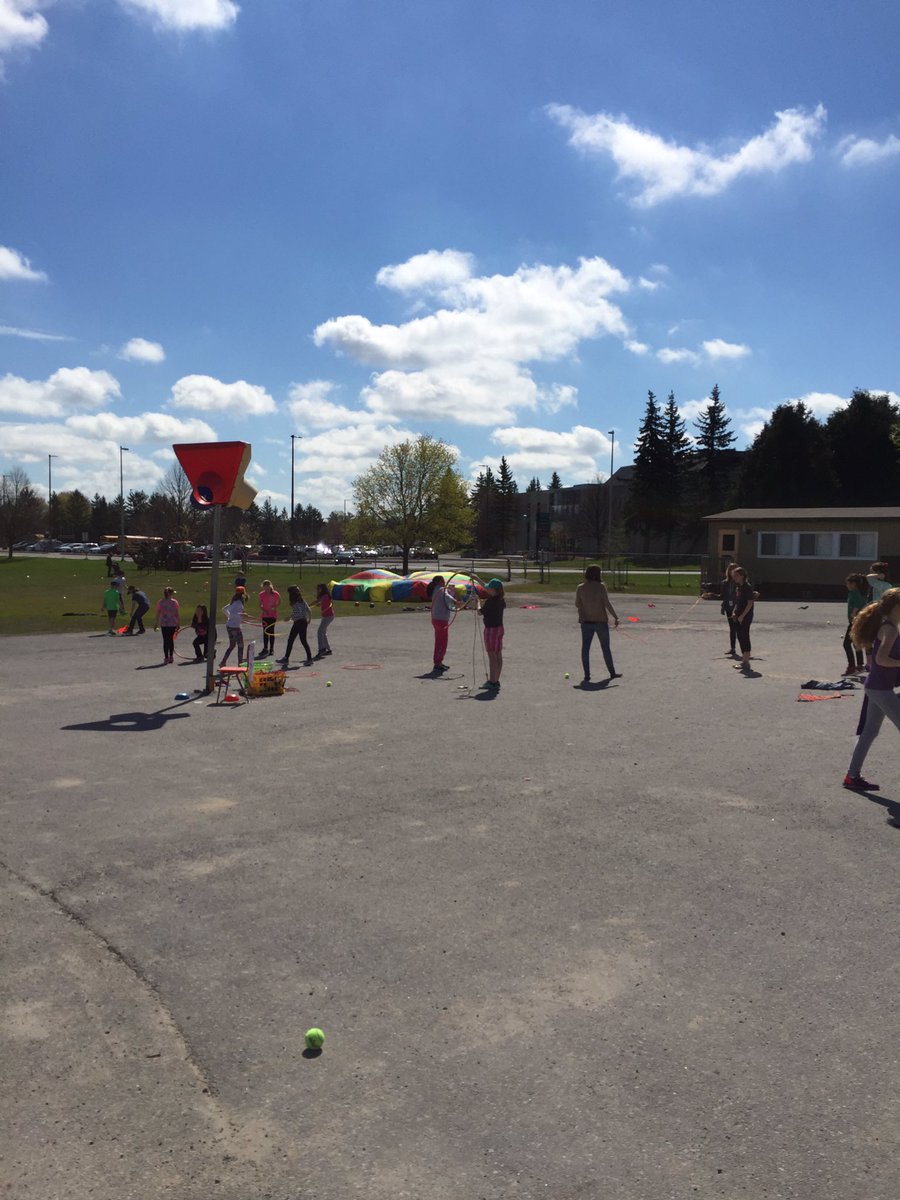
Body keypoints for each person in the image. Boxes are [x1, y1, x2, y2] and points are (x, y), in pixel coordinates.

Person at [843, 586, 900, 791]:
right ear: (896, 607)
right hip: (880, 689)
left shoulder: (888, 626)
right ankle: (851, 776)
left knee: (869, 733)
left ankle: (851, 777)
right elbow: (881, 659)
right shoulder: (891, 629)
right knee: (869, 732)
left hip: (876, 687)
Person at [575, 564, 621, 683]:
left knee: (585, 649)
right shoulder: (601, 587)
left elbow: (577, 604)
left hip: (586, 622)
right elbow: (607, 603)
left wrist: (582, 615)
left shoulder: (580, 587)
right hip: (600, 621)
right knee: (605, 648)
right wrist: (615, 617)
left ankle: (587, 675)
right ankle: (612, 672)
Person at [479, 578, 506, 690]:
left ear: (494, 590)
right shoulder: (501, 599)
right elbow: (485, 586)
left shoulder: (490, 601)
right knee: (498, 654)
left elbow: (480, 612)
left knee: (492, 656)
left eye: (489, 588)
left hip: (491, 630)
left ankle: (492, 681)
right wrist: (476, 578)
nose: (487, 589)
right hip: (499, 628)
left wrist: (477, 603)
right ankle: (496, 680)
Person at [427, 575, 457, 671]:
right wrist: (456, 601)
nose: (445, 582)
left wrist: (451, 591)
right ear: (440, 582)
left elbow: (446, 598)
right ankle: (437, 662)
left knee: (440, 641)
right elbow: (448, 598)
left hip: (436, 618)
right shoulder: (441, 590)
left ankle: (439, 661)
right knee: (442, 642)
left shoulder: (437, 589)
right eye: (443, 581)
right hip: (441, 619)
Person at [842, 573, 868, 675]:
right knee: (856, 643)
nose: (847, 585)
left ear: (853, 584)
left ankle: (852, 666)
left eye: (848, 583)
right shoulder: (856, 592)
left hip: (855, 621)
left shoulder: (854, 593)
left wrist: (853, 615)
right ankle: (859, 666)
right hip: (858, 621)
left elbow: (859, 604)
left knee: (846, 644)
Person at [731, 566, 755, 672]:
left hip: (745, 616)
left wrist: (742, 616)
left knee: (744, 636)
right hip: (739, 615)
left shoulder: (747, 587)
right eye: (733, 576)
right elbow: (738, 601)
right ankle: (744, 660)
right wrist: (735, 612)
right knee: (739, 636)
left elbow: (750, 603)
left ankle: (746, 661)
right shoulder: (739, 587)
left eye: (736, 575)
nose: (734, 578)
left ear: (742, 576)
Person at [280, 585, 312, 665]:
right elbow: (309, 610)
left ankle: (286, 658)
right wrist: (309, 619)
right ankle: (309, 658)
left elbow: (297, 613)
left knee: (291, 640)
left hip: (299, 623)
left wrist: (289, 618)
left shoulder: (295, 602)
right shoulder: (302, 600)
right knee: (302, 640)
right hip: (303, 622)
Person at [220, 588, 246, 666]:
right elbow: (236, 614)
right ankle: (240, 664)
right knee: (241, 645)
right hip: (235, 627)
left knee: (232, 645)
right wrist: (241, 616)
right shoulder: (239, 603)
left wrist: (230, 617)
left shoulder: (233, 601)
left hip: (229, 626)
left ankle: (223, 662)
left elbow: (224, 609)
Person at [153, 586, 180, 664]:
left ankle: (166, 657)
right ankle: (171, 656)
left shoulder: (161, 602)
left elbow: (158, 613)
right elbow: (177, 614)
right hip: (172, 623)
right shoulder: (174, 602)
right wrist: (178, 623)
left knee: (165, 640)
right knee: (171, 640)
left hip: (164, 623)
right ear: (171, 594)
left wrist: (156, 623)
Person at [720, 562, 739, 658]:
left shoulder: (739, 583)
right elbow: (723, 596)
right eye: (731, 569)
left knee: (738, 628)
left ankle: (745, 649)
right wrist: (723, 606)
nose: (733, 571)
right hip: (728, 607)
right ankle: (733, 648)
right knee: (732, 628)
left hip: (738, 608)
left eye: (735, 569)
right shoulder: (725, 583)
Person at [259, 579, 280, 658]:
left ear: (270, 586)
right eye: (265, 587)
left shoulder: (275, 594)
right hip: (265, 616)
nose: (266, 588)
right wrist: (264, 610)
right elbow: (260, 605)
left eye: (268, 586)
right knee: (265, 632)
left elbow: (279, 602)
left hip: (273, 616)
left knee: (271, 632)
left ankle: (271, 649)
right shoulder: (261, 594)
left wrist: (275, 607)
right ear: (263, 587)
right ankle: (265, 648)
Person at [312, 583, 334, 657]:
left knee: (320, 632)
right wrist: (320, 605)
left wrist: (307, 606)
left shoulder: (325, 596)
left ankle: (322, 649)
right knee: (323, 632)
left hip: (328, 616)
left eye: (319, 588)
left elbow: (317, 601)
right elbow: (322, 603)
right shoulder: (325, 596)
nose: (318, 590)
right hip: (326, 616)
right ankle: (328, 649)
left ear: (322, 589)